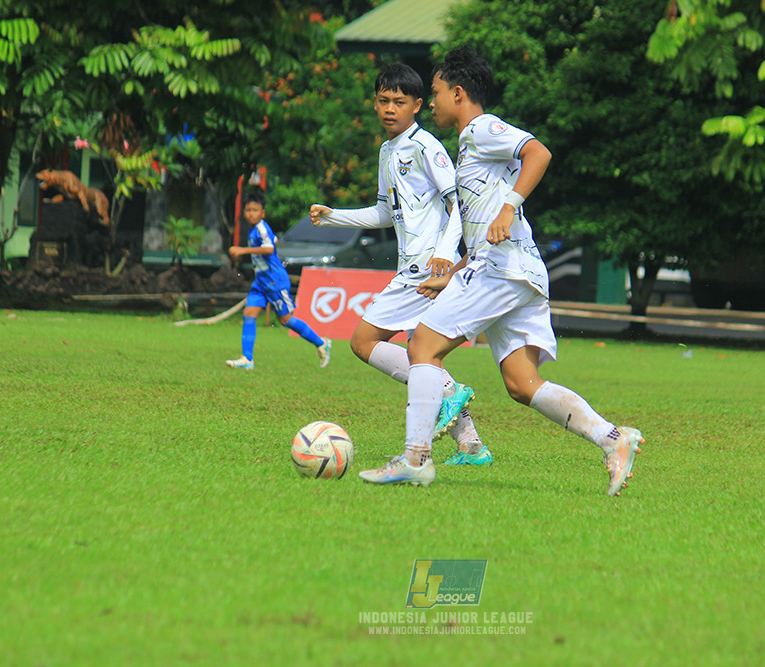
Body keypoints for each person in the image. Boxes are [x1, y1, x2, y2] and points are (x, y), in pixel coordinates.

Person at [358, 46, 644, 493]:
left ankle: (415, 458)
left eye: (436, 92)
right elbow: (482, 230)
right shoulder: (469, 144)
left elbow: (539, 153)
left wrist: (510, 207)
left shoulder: (481, 129)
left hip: (501, 270)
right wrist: (454, 272)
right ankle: (613, 439)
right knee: (522, 384)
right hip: (515, 270)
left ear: (458, 93)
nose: (431, 103)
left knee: (422, 346)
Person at [310, 63, 490, 464]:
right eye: (383, 100)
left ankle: (446, 392)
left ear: (417, 106)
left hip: (427, 268)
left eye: (400, 101)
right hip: (413, 266)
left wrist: (444, 253)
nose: (390, 108)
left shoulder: (426, 147)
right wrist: (334, 215)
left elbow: (457, 204)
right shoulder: (387, 151)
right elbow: (383, 212)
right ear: (375, 104)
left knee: (363, 342)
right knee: (421, 350)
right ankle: (472, 445)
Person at [226, 190, 332, 370]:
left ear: (262, 213)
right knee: (249, 314)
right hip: (261, 280)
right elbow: (273, 241)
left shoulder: (261, 228)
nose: (251, 214)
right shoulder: (255, 229)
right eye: (248, 210)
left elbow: (268, 248)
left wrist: (242, 250)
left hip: (274, 280)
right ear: (244, 212)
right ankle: (247, 359)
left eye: (255, 210)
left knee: (286, 320)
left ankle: (321, 342)